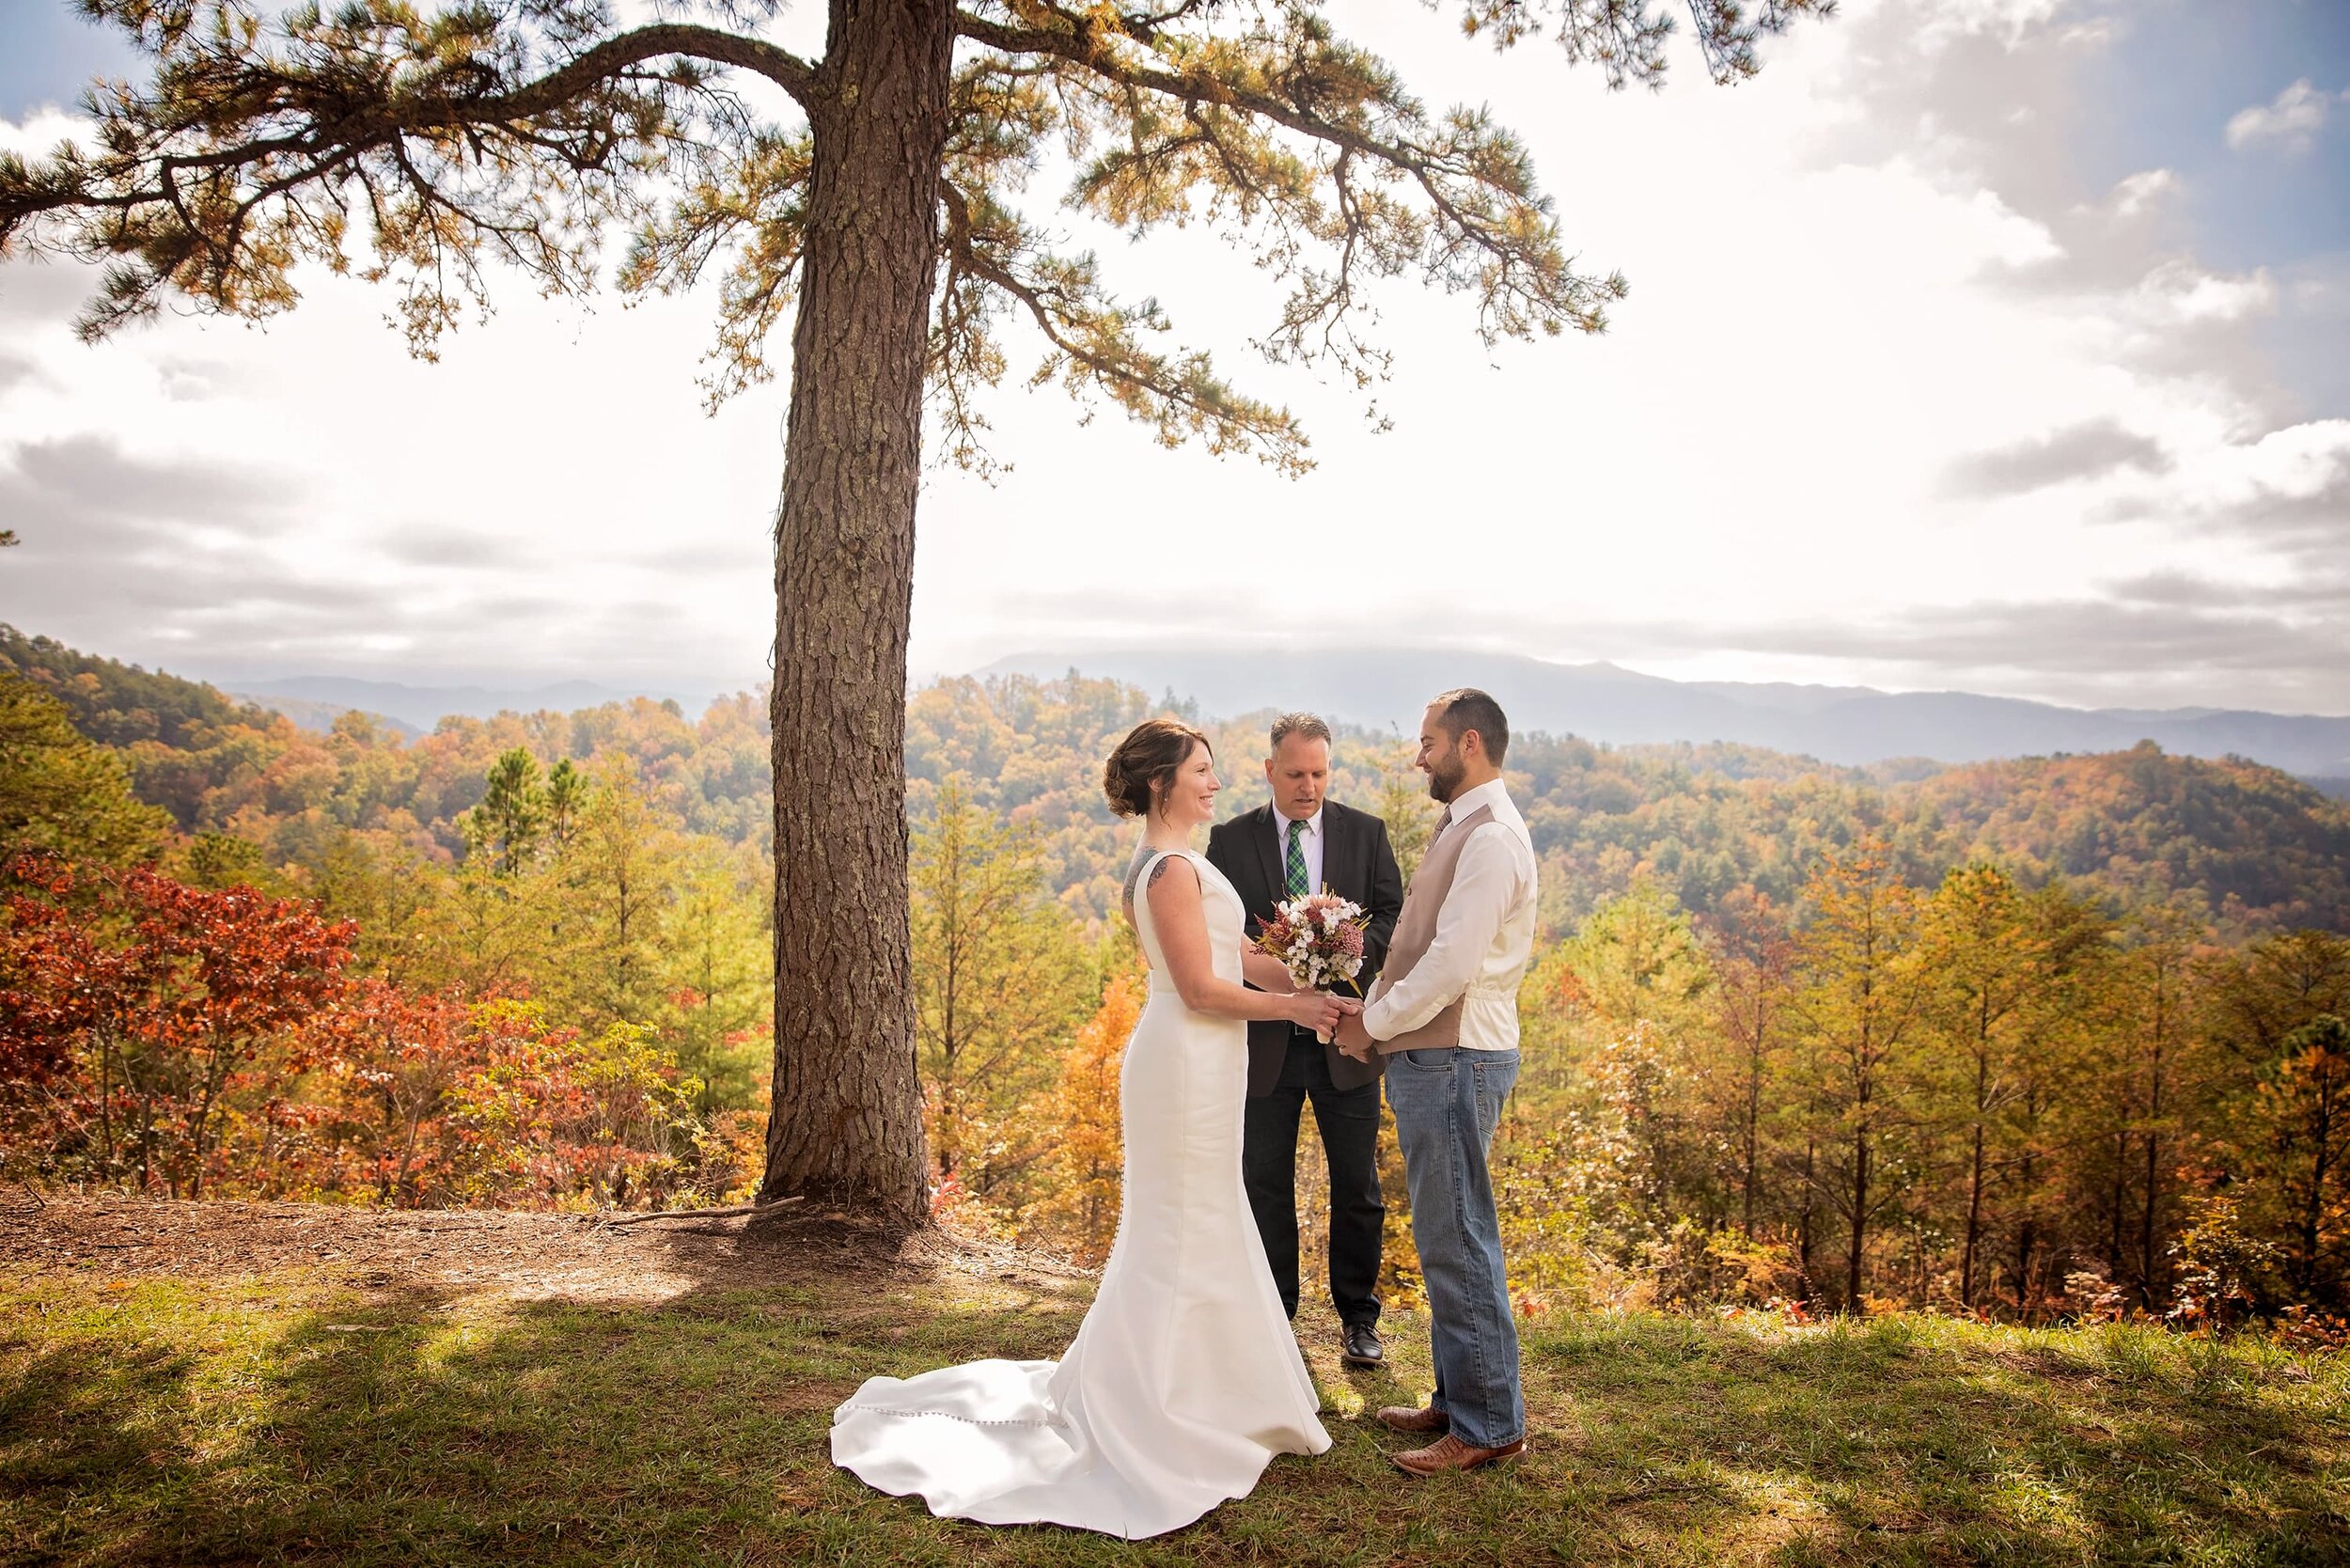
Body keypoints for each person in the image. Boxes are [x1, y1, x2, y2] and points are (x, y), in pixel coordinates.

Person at [831, 718, 1347, 1538]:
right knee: (1177, 1225)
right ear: (1160, 785)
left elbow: (1244, 961)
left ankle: (1214, 1390)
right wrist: (1295, 1007)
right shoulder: (1170, 869)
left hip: (1209, 1067)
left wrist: (1325, 978)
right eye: (1203, 772)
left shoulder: (1188, 863)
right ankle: (1151, 1404)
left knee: (1208, 1216)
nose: (1216, 784)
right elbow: (1202, 988)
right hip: (1182, 1062)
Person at [1333, 688, 1539, 1477]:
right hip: (1434, 1056)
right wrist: (1375, 1012)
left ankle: (1488, 1425)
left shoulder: (1490, 840)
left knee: (1457, 1239)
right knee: (1444, 1234)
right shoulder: (1466, 829)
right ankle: (1459, 1399)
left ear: (1471, 743)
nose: (1418, 756)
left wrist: (1373, 1024)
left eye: (1428, 743)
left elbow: (1451, 967)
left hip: (1456, 1057)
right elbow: (1420, 952)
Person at [1206, 712, 1403, 1368]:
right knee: (1264, 1183)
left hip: (1347, 1038)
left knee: (1357, 1185)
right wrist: (1289, 978)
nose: (1308, 786)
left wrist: (1342, 959)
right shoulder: (1230, 843)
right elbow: (1218, 934)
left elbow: (1392, 918)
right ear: (1270, 770)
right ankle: (1274, 1318)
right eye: (1295, 774)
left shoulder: (1366, 833)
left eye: (1319, 773)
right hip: (1263, 1042)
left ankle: (1358, 1320)